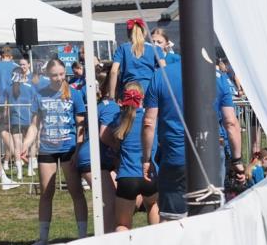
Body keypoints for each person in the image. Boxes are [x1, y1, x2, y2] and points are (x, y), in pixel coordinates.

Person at [141, 59, 246, 220]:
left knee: (172, 221)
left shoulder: (161, 75)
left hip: (174, 157)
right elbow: (231, 122)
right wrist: (237, 159)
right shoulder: (218, 76)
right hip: (210, 158)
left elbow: (149, 122)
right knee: (211, 217)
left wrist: (147, 159)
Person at [19, 58, 89, 245]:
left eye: (61, 74)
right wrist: (25, 144)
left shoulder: (74, 94)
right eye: (54, 75)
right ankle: (43, 238)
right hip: (47, 149)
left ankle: (82, 235)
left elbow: (80, 123)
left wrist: (78, 149)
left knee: (76, 191)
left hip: (69, 148)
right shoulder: (40, 94)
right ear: (47, 76)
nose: (58, 78)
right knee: (46, 193)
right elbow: (34, 125)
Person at [104, 83, 158, 231]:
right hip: (149, 175)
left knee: (122, 225)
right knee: (152, 205)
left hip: (127, 176)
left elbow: (110, 139)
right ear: (143, 98)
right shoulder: (152, 119)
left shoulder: (119, 120)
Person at [75, 64, 119, 233]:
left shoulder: (100, 105)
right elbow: (104, 135)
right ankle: (107, 237)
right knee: (109, 200)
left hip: (95, 157)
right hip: (94, 159)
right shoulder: (110, 106)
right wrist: (120, 148)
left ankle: (110, 233)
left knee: (112, 199)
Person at [109, 17, 164, 98]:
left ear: (128, 33)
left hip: (128, 89)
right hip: (149, 89)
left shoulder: (122, 48)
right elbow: (164, 70)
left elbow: (113, 71)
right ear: (144, 32)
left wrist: (111, 95)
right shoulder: (155, 49)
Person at [8, 67, 38, 180]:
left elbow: (6, 105)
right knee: (31, 144)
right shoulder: (30, 87)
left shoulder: (8, 88)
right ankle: (30, 169)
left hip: (15, 119)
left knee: (17, 145)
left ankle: (19, 173)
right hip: (29, 119)